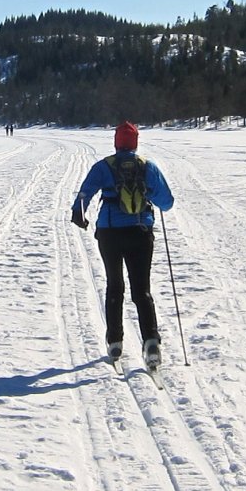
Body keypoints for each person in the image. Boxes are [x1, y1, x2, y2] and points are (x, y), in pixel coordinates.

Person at [70, 121, 174, 369]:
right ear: (135, 142)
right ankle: (151, 341)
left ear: (116, 142)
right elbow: (167, 202)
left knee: (114, 286)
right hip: (140, 231)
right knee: (142, 290)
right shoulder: (147, 167)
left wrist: (79, 214)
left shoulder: (104, 167)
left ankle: (115, 341)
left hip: (109, 233)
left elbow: (85, 194)